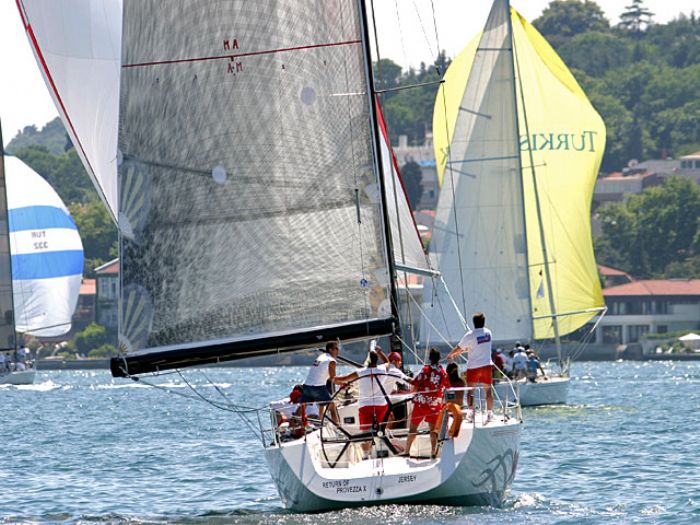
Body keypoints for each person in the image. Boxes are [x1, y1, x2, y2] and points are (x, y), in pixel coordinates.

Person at [334, 350, 391, 456]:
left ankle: (366, 455)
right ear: (377, 360)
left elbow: (344, 379)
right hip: (381, 405)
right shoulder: (383, 369)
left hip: (365, 406)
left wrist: (333, 379)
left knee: (366, 434)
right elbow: (387, 362)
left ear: (367, 360)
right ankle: (383, 447)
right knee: (381, 429)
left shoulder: (360, 372)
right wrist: (380, 352)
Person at [447, 312, 495, 422]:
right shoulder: (488, 333)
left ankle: (471, 414)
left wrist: (451, 355)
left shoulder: (470, 335)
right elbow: (478, 346)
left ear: (473, 323)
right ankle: (490, 414)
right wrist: (465, 350)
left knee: (470, 392)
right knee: (488, 391)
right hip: (486, 365)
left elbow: (459, 348)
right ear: (483, 322)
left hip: (473, 367)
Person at [404, 348, 450, 458]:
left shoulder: (425, 370)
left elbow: (415, 382)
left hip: (421, 403)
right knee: (433, 430)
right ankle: (433, 452)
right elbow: (448, 386)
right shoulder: (442, 372)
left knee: (413, 428)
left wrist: (403, 377)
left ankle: (406, 451)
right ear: (439, 358)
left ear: (430, 358)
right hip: (434, 404)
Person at [300, 342, 340, 423]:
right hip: (317, 387)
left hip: (307, 386)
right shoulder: (331, 361)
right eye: (336, 348)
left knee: (303, 407)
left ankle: (319, 419)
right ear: (330, 350)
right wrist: (343, 383)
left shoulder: (321, 357)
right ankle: (337, 427)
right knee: (332, 407)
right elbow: (333, 378)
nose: (338, 351)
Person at [376, 349, 413, 428]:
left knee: (388, 418)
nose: (400, 365)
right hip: (380, 400)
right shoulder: (394, 370)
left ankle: (382, 432)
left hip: (374, 398)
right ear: (395, 361)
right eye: (399, 362)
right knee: (390, 419)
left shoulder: (380, 367)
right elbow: (408, 381)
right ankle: (383, 433)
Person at [435, 362, 465, 438]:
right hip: (460, 408)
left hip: (450, 410)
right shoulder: (461, 382)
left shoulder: (448, 383)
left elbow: (449, 399)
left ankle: (438, 433)